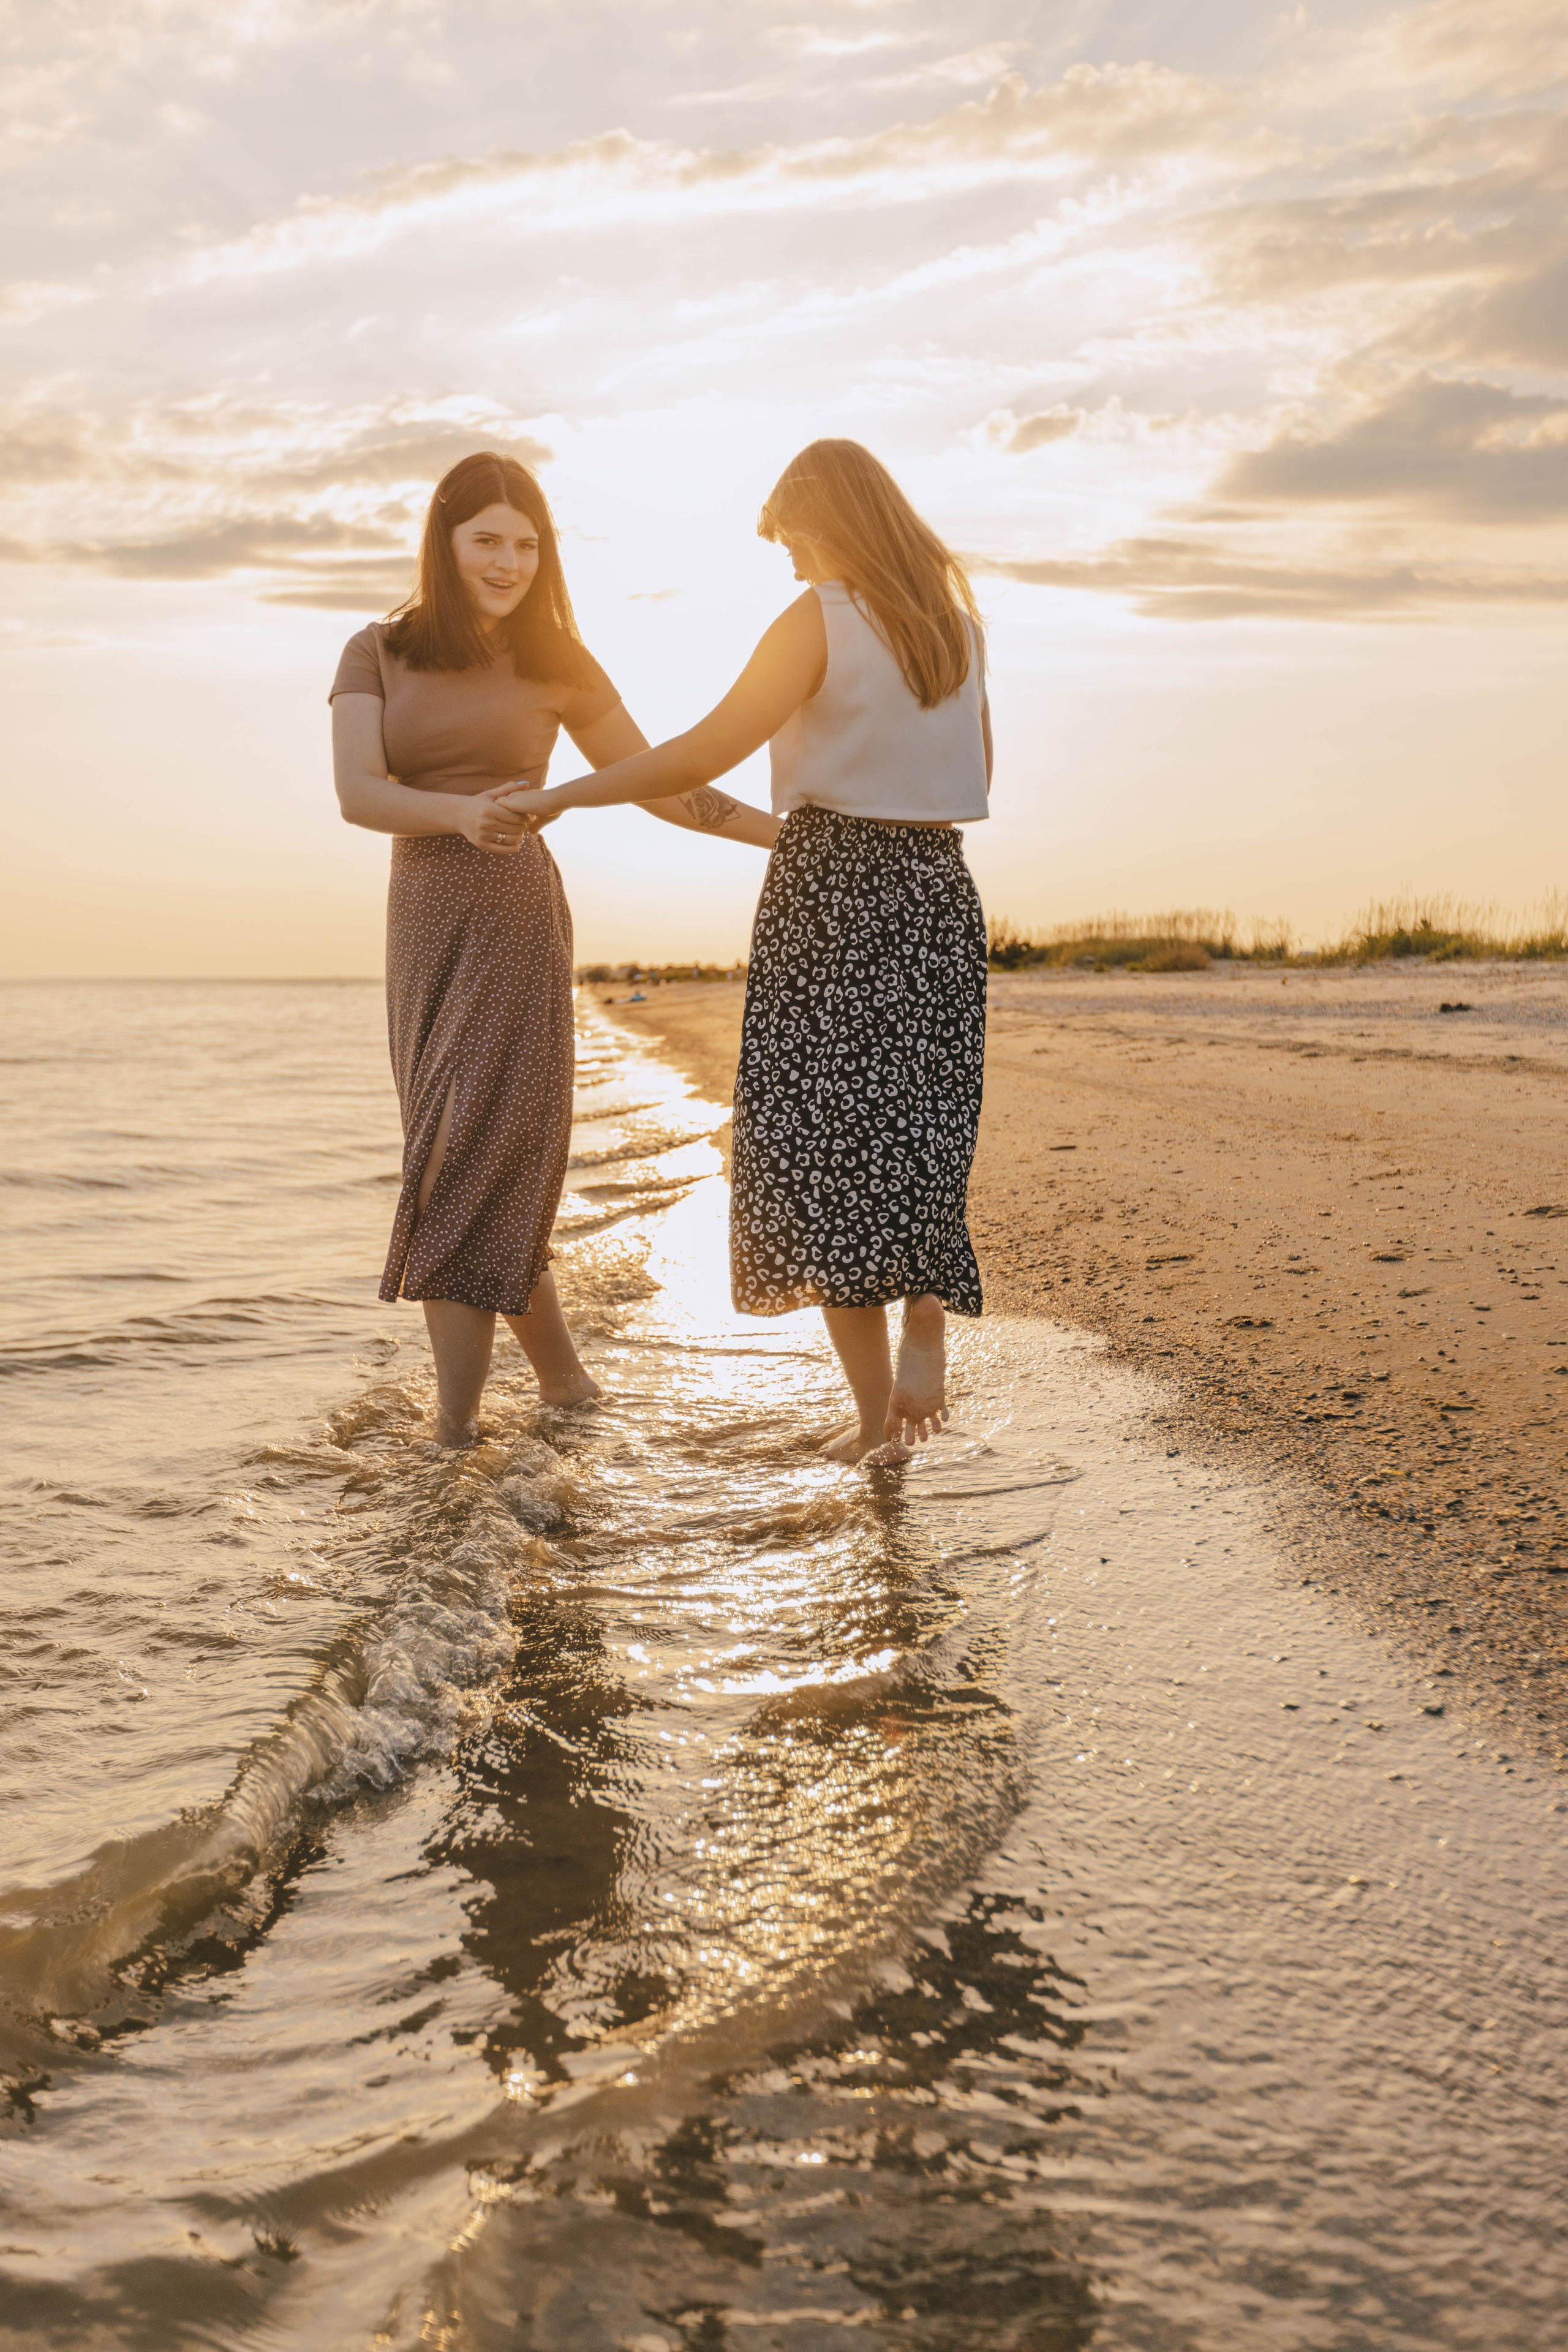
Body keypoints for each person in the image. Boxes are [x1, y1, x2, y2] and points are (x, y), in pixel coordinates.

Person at [499, 439, 990, 1464]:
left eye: (793, 546)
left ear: (824, 526)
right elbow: (979, 769)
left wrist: (562, 795)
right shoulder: (957, 630)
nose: (794, 567)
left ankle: (873, 1427)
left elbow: (700, 751)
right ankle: (926, 1327)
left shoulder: (820, 619)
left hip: (828, 893)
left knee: (823, 1157)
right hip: (939, 890)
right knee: (925, 1128)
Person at [331, 450, 777, 1447]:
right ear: (445, 543)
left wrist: (791, 832)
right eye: (487, 538)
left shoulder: (560, 661)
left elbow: (669, 784)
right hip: (423, 918)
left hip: (514, 914)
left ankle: (452, 1437)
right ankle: (566, 1384)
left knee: (464, 1159)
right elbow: (359, 794)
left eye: (527, 544)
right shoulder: (376, 650)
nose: (508, 561)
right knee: (470, 1152)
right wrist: (458, 813)